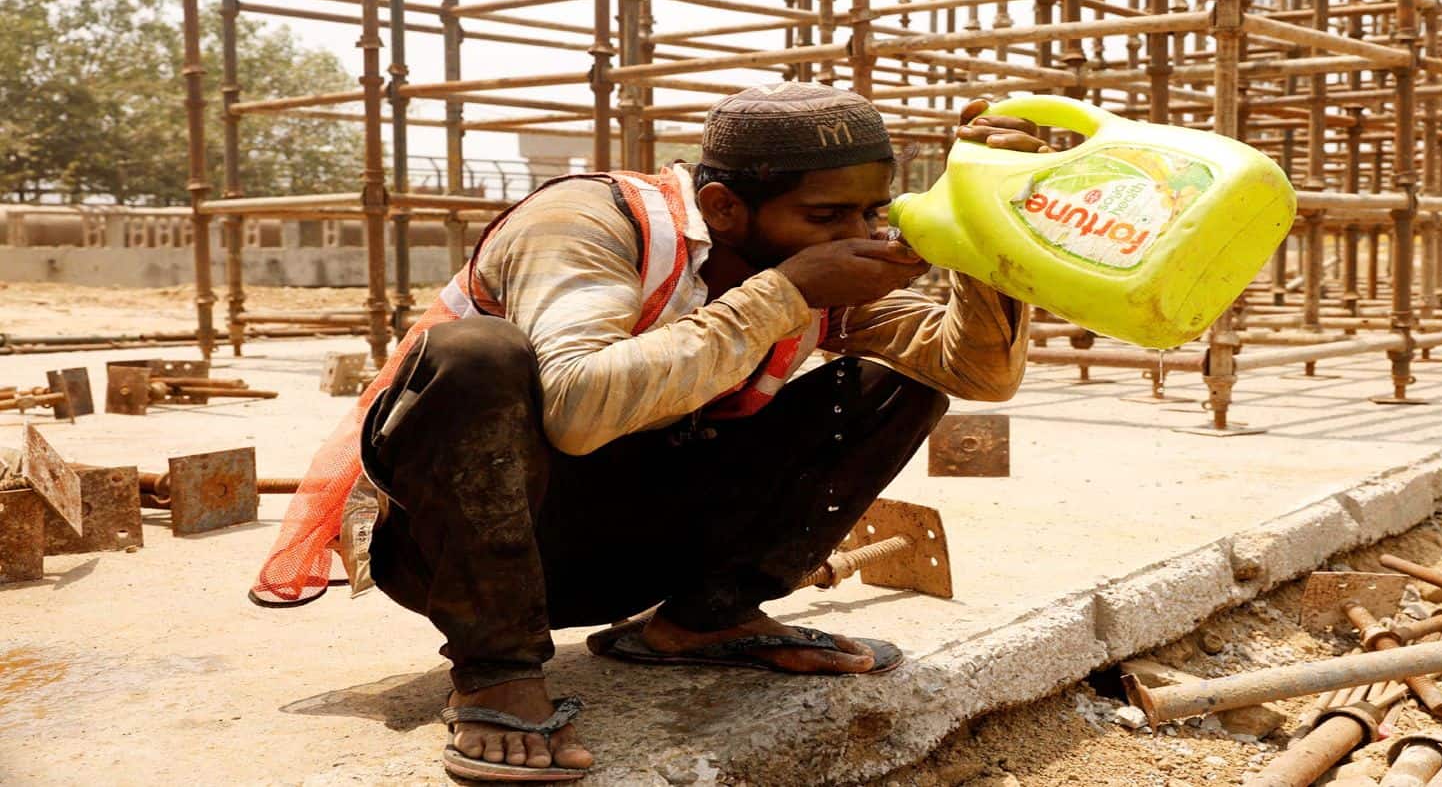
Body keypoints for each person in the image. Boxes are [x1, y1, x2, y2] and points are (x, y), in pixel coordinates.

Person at [251, 82, 1052, 782]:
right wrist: (784, 293)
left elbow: (975, 371)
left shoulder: (811, 254)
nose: (859, 232)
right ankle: (495, 673)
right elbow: (571, 408)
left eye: (870, 211)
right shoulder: (591, 223)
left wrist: (985, 228)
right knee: (477, 355)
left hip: (625, 542)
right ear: (723, 208)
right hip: (461, 548)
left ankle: (704, 619)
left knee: (898, 381)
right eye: (826, 214)